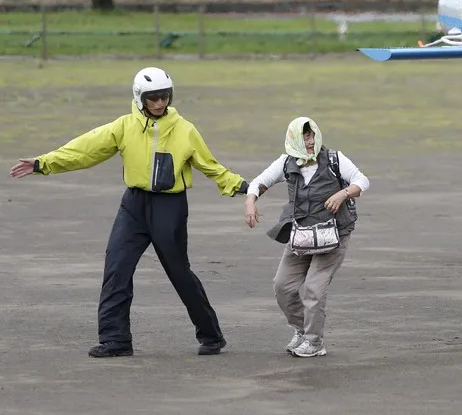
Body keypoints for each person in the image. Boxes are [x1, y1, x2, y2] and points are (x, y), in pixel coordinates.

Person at [9, 67, 248, 357]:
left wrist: (243, 186)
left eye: (164, 97)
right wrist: (42, 163)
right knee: (116, 268)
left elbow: (211, 166)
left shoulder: (185, 129)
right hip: (133, 206)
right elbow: (85, 149)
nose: (160, 103)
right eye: (153, 98)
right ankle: (115, 340)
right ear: (139, 98)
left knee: (179, 272)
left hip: (169, 208)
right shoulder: (123, 127)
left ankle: (211, 335)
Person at [244, 117, 369, 358]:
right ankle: (302, 329)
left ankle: (314, 342)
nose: (309, 141)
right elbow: (259, 182)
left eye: (311, 135)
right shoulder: (285, 163)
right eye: (303, 137)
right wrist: (251, 201)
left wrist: (343, 194)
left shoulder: (334, 159)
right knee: (282, 286)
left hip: (334, 235)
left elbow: (362, 181)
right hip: (301, 235)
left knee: (314, 288)